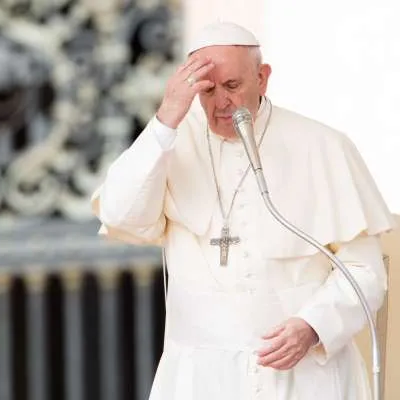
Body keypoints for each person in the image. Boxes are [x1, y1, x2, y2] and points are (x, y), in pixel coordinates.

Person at [90, 21, 397, 399]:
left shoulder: (322, 145)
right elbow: (120, 216)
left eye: (233, 86)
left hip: (305, 377)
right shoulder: (168, 146)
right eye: (208, 89)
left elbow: (365, 272)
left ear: (262, 78)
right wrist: (166, 118)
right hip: (200, 379)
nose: (221, 102)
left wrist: (312, 326)